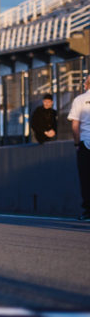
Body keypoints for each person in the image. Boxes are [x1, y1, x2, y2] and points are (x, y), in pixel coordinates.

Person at [68, 75, 90, 221]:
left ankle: (88, 211)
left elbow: (75, 125)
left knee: (86, 178)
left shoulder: (80, 99)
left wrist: (77, 144)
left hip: (86, 143)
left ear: (86, 84)